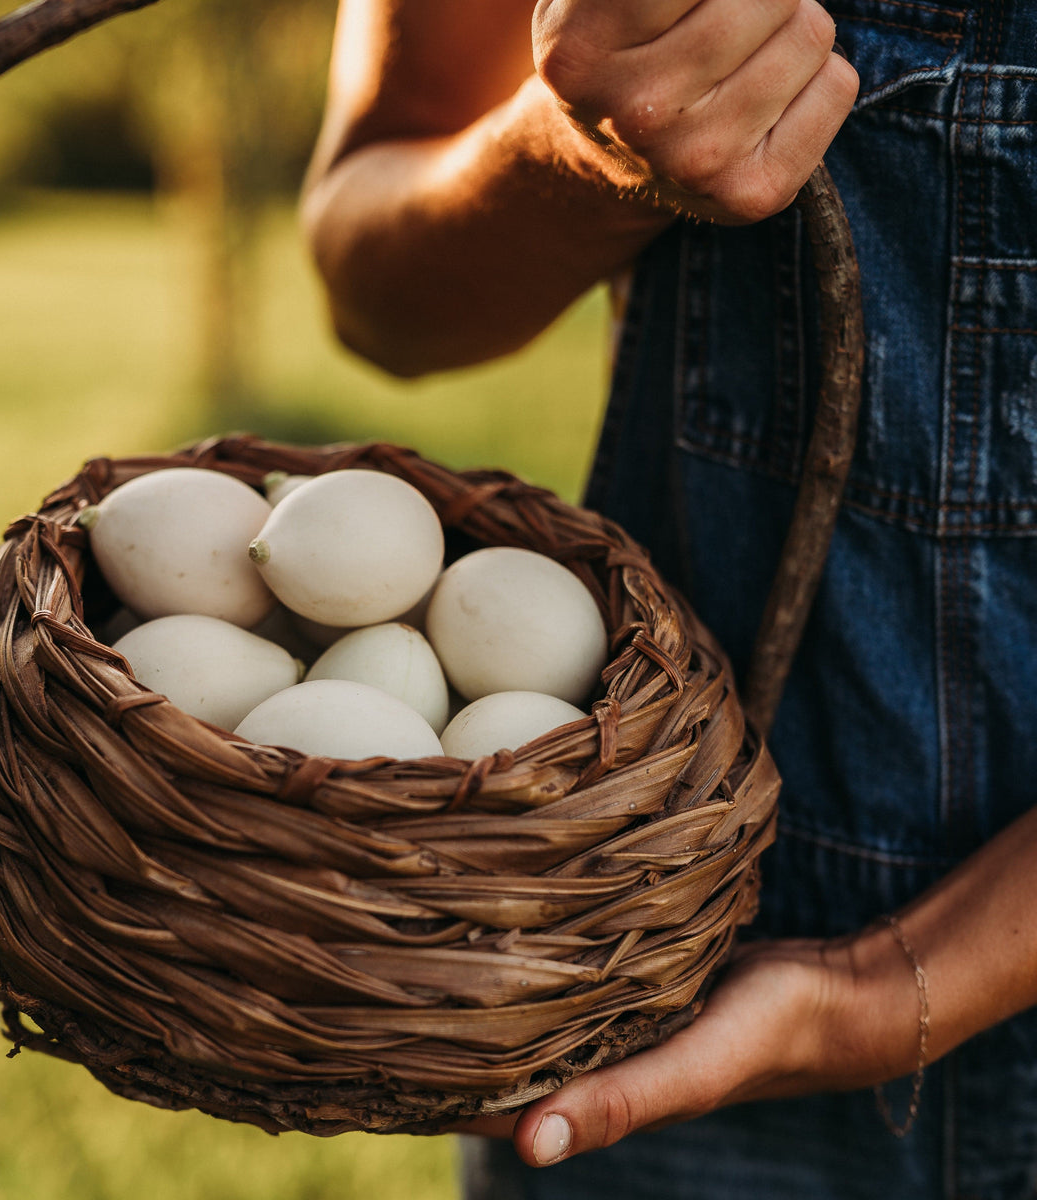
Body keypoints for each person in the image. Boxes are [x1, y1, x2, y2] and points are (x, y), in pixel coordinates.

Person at [301, 3, 1037, 1197]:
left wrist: (896, 986)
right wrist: (580, 153)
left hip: (707, 1007)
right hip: (644, 957)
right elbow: (375, 277)